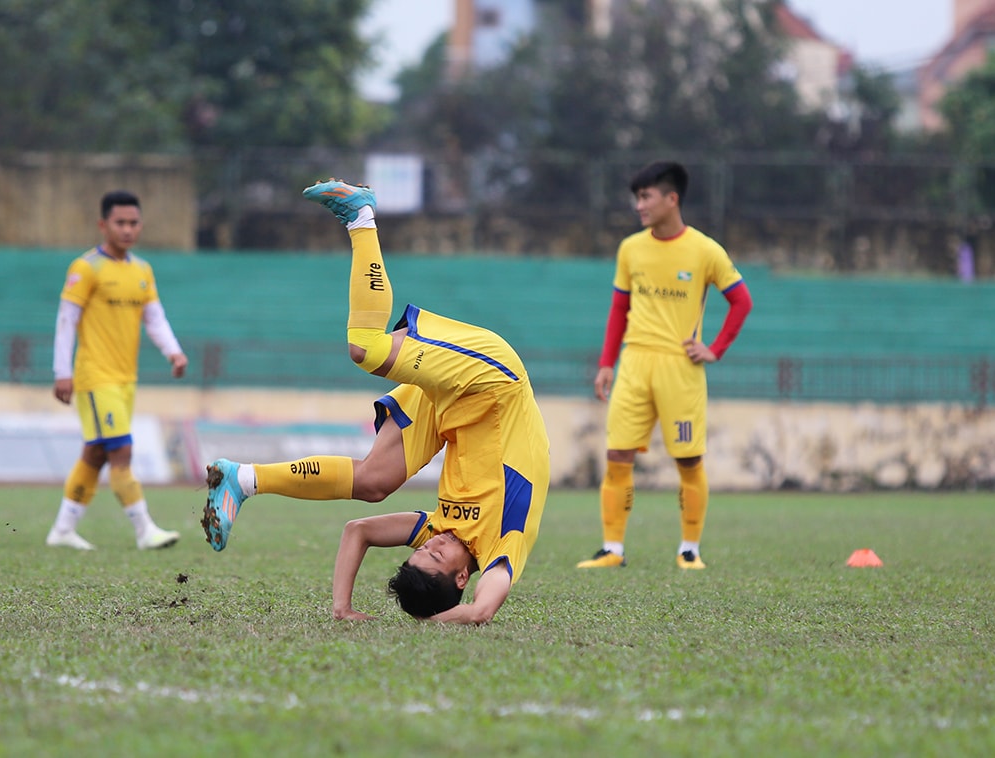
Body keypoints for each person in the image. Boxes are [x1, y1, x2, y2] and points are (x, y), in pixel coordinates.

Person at [201, 178, 550, 625]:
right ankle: (361, 215)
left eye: (421, 551)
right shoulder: (504, 545)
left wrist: (342, 608)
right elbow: (481, 611)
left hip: (453, 412)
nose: (430, 545)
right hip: (494, 383)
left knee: (372, 483)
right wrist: (437, 622)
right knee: (365, 348)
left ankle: (242, 479)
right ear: (463, 577)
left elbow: (358, 531)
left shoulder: (439, 530)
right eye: (435, 556)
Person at [576, 161, 752, 571]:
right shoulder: (631, 248)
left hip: (680, 367)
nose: (639, 205)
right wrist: (607, 363)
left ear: (672, 199)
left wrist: (715, 348)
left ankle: (689, 549)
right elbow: (620, 308)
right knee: (617, 453)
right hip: (634, 364)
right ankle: (612, 549)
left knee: (689, 460)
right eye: (637, 197)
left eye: (646, 196)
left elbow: (741, 300)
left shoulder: (705, 250)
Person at [46, 190, 187, 551]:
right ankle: (145, 530)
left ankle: (63, 530)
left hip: (126, 379)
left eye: (133, 223)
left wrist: (173, 352)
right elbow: (66, 320)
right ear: (103, 224)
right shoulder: (86, 268)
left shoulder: (141, 270)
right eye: (120, 222)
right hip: (96, 377)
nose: (127, 229)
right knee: (121, 452)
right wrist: (62, 371)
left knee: (95, 454)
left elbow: (154, 317)